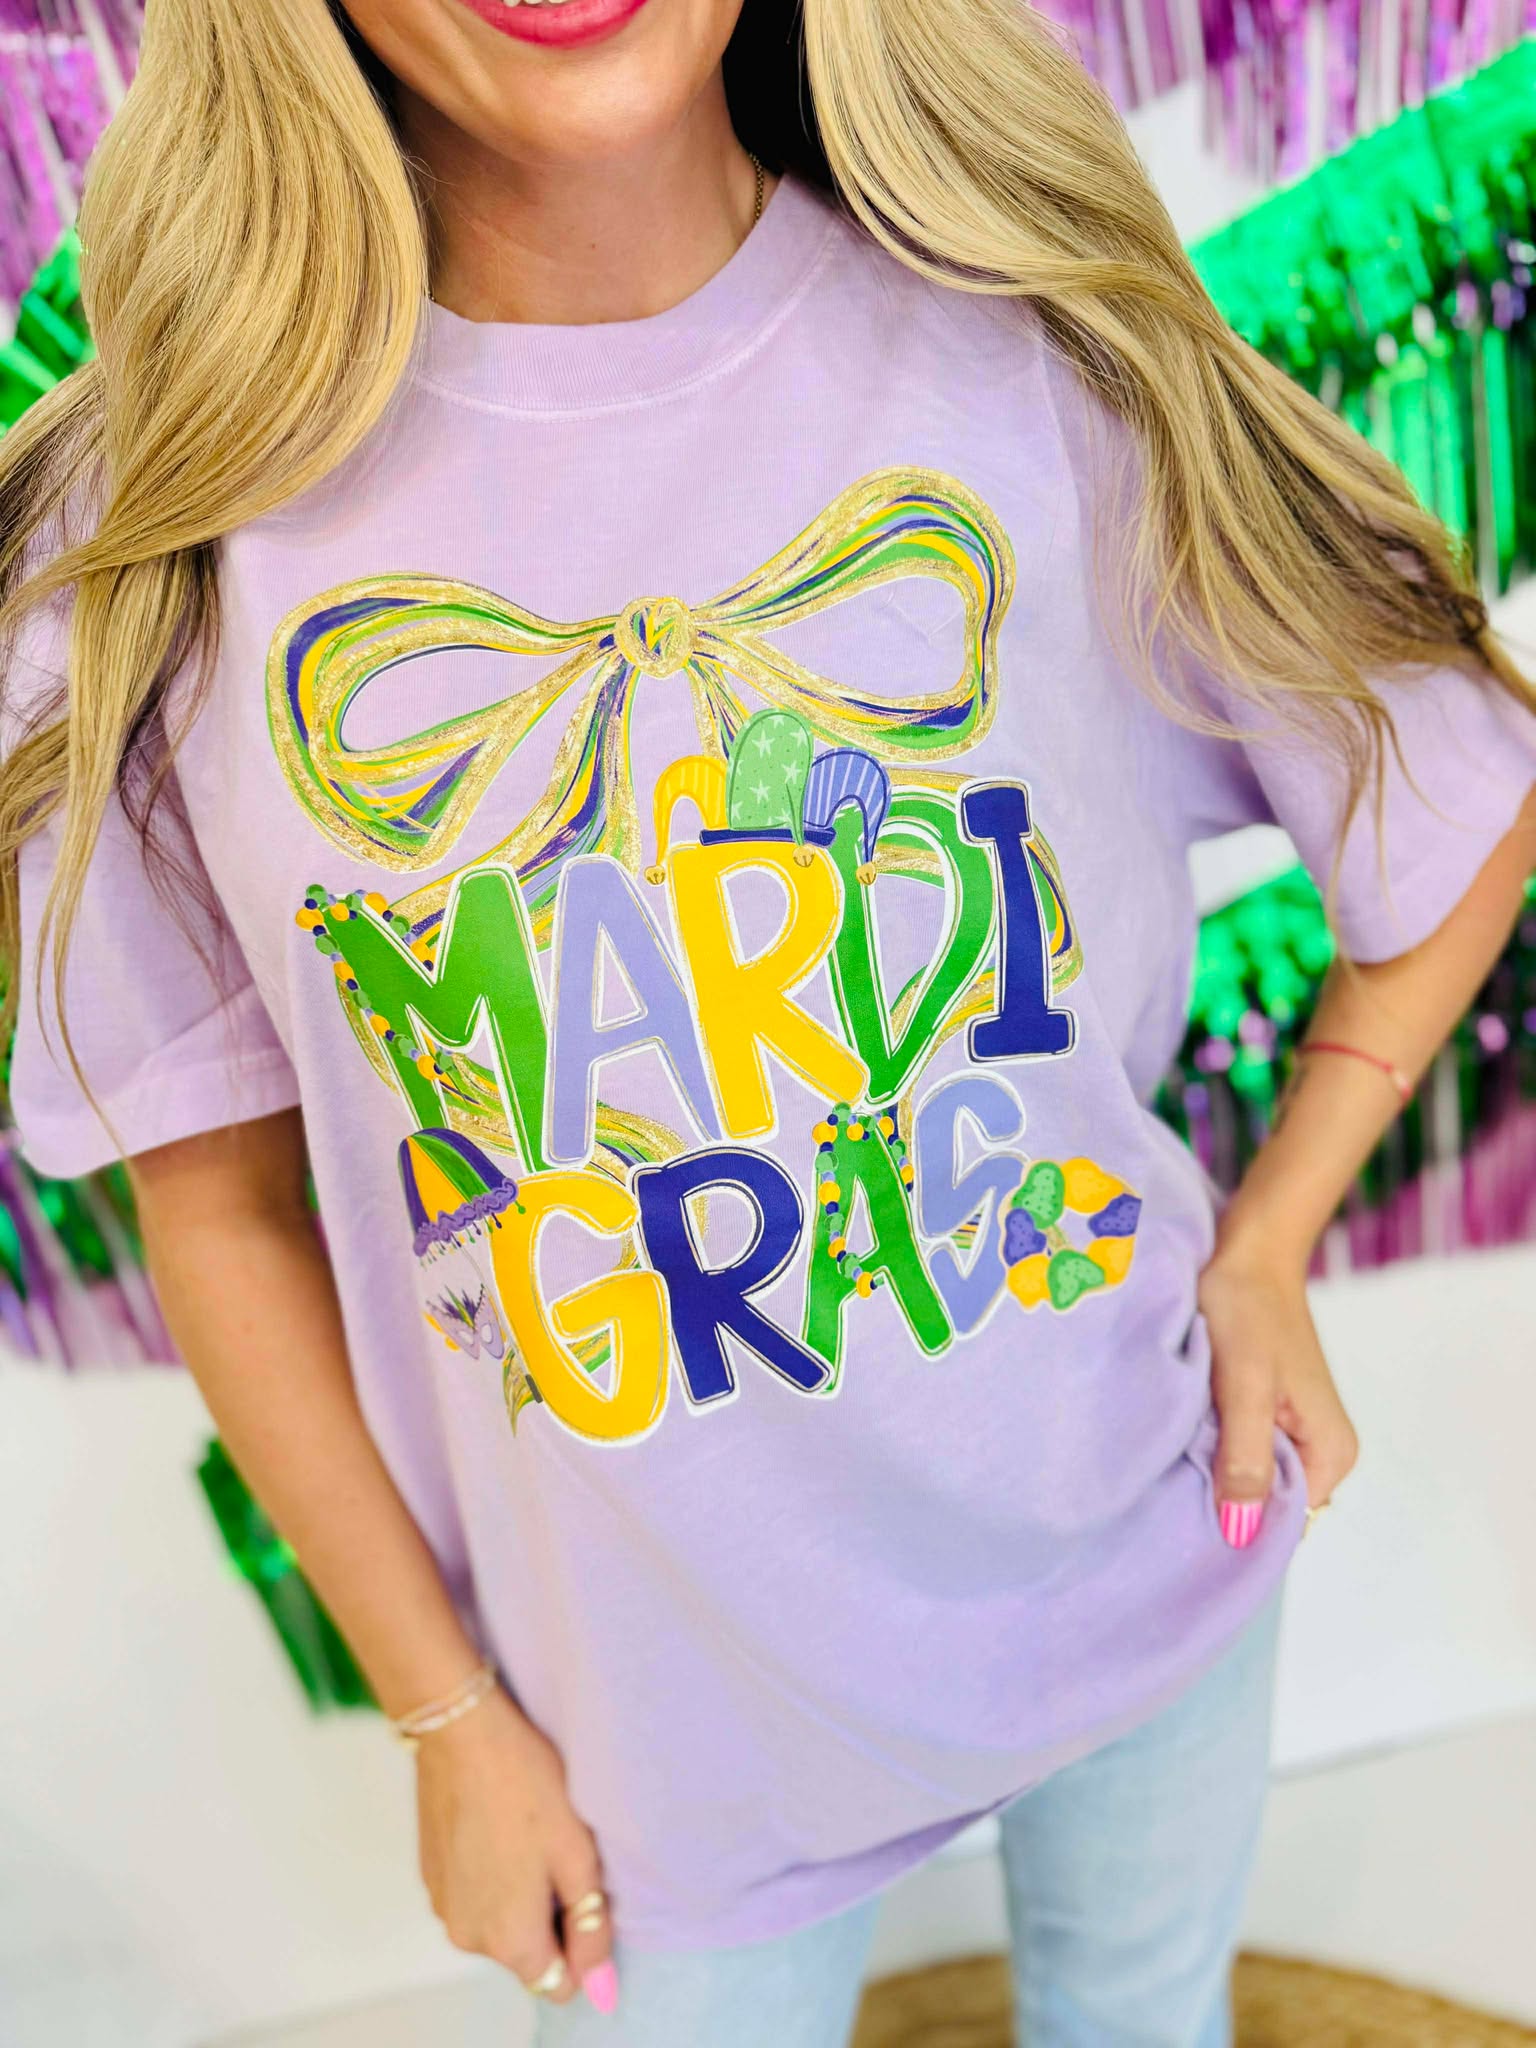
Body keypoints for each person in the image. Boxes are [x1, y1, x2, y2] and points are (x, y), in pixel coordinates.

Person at [2, 1, 1533, 2041]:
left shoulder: (1030, 341)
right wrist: (447, 1716)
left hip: (1143, 1537)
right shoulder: (150, 536)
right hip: (655, 1760)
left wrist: (1269, 1241)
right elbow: (218, 1209)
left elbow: (1453, 770)